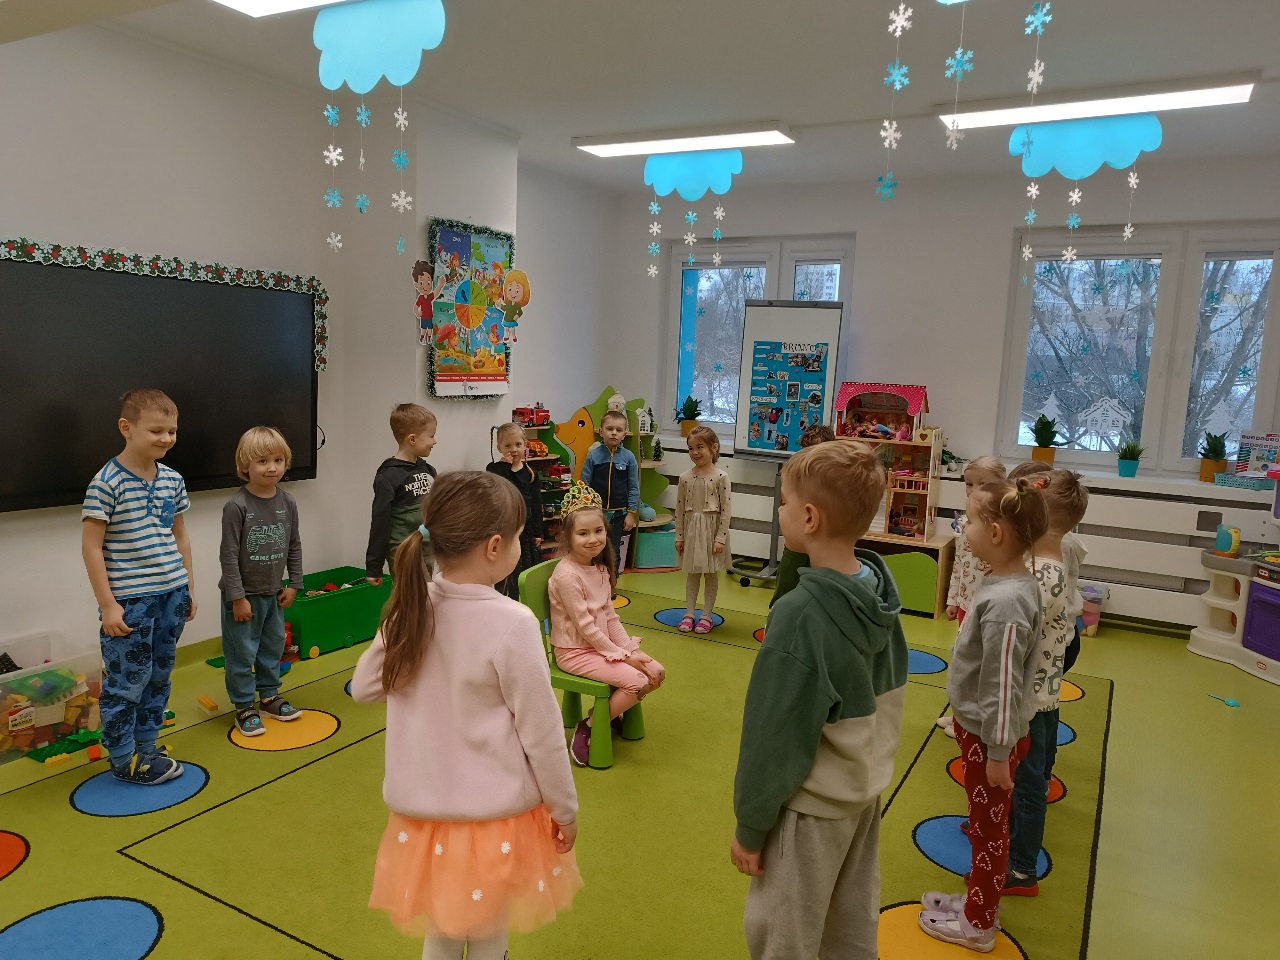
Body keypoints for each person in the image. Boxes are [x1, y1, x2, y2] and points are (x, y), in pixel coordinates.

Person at [350, 471, 581, 960]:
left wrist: (403, 616)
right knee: (489, 933)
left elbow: (366, 686)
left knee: (443, 930)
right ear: (495, 547)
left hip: (425, 818)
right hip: (493, 819)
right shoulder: (512, 623)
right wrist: (564, 809)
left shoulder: (415, 607)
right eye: (519, 537)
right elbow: (542, 733)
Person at [731, 442, 908, 960]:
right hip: (862, 794)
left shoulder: (799, 615)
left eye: (784, 501)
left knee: (785, 936)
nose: (779, 509)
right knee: (848, 928)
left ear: (809, 518)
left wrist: (751, 826)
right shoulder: (878, 592)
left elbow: (773, 735)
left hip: (810, 811)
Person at [919, 477, 1048, 952]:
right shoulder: (1006, 584)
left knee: (989, 832)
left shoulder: (1007, 602)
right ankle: (980, 902)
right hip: (986, 733)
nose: (962, 527)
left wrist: (997, 752)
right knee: (984, 825)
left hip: (992, 738)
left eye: (969, 520)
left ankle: (978, 925)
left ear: (995, 533)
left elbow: (1001, 685)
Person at [81, 389, 195, 785]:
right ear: (126, 428)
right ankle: (123, 758)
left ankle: (146, 747)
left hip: (172, 594)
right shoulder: (106, 482)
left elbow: (180, 537)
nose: (166, 438)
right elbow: (91, 547)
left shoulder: (173, 479)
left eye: (172, 431)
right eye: (156, 430)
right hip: (131, 601)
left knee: (159, 675)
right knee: (126, 682)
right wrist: (108, 605)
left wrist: (188, 587)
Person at [1006, 469, 1090, 896]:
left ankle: (1021, 868)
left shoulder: (1043, 576)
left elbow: (1016, 638)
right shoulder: (1045, 567)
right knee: (1030, 773)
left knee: (1028, 783)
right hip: (1041, 693)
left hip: (1029, 698)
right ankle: (1012, 840)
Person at [549, 482, 665, 766]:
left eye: (598, 531)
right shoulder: (567, 576)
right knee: (638, 682)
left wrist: (629, 649)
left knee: (656, 673)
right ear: (567, 536)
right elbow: (586, 627)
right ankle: (590, 724)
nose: (593, 539)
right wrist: (622, 655)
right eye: (583, 533)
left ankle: (608, 715)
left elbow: (610, 617)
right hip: (575, 652)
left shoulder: (600, 568)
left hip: (599, 648)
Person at [218, 426, 304, 737]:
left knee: (272, 647)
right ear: (245, 466)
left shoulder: (287, 502)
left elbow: (294, 544)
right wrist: (237, 597)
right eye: (262, 461)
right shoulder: (237, 506)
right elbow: (228, 556)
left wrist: (294, 583)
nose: (272, 468)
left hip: (274, 593)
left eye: (278, 460)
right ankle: (244, 706)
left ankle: (268, 697)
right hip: (243, 597)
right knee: (242, 654)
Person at [936, 455, 1007, 739]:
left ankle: (971, 722)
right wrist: (953, 599)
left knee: (979, 665)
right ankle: (961, 715)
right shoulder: (965, 522)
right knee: (963, 663)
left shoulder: (1003, 526)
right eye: (969, 484)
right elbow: (959, 563)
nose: (974, 490)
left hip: (987, 609)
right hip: (966, 604)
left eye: (983, 484)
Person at [365, 403, 438, 586]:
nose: (435, 441)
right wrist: (374, 566)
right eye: (431, 436)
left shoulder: (428, 470)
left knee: (427, 593)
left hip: (425, 545)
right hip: (403, 548)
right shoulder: (388, 476)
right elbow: (380, 520)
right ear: (412, 439)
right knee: (415, 596)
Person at [769, 423, 836, 607]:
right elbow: (785, 502)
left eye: (816, 452)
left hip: (821, 541)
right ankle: (778, 612)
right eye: (807, 451)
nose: (810, 457)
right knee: (787, 580)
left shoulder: (834, 475)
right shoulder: (794, 471)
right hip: (797, 541)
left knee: (818, 584)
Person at [675, 426, 732, 634]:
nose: (695, 452)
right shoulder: (684, 478)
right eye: (691, 448)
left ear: (714, 447)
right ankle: (689, 613)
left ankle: (707, 615)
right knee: (692, 573)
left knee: (710, 573)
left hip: (711, 532)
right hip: (691, 531)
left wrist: (720, 538)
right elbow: (680, 509)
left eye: (700, 447)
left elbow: (726, 510)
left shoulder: (721, 477)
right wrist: (679, 536)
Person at [486, 422, 545, 599]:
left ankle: (523, 600)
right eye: (508, 446)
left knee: (525, 567)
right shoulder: (495, 469)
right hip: (505, 528)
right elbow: (497, 486)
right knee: (505, 569)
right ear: (499, 448)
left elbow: (536, 503)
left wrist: (538, 531)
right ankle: (504, 600)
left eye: (518, 444)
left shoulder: (530, 473)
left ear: (525, 445)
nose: (513, 450)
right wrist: (505, 466)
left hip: (525, 528)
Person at [581, 410, 638, 573]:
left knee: (613, 551)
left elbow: (634, 487)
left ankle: (611, 583)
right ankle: (594, 581)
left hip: (619, 515)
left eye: (619, 430)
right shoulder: (593, 456)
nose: (614, 433)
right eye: (609, 429)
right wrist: (584, 510)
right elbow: (584, 485)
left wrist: (631, 514)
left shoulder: (629, 458)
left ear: (624, 434)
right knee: (594, 550)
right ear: (601, 432)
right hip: (595, 513)